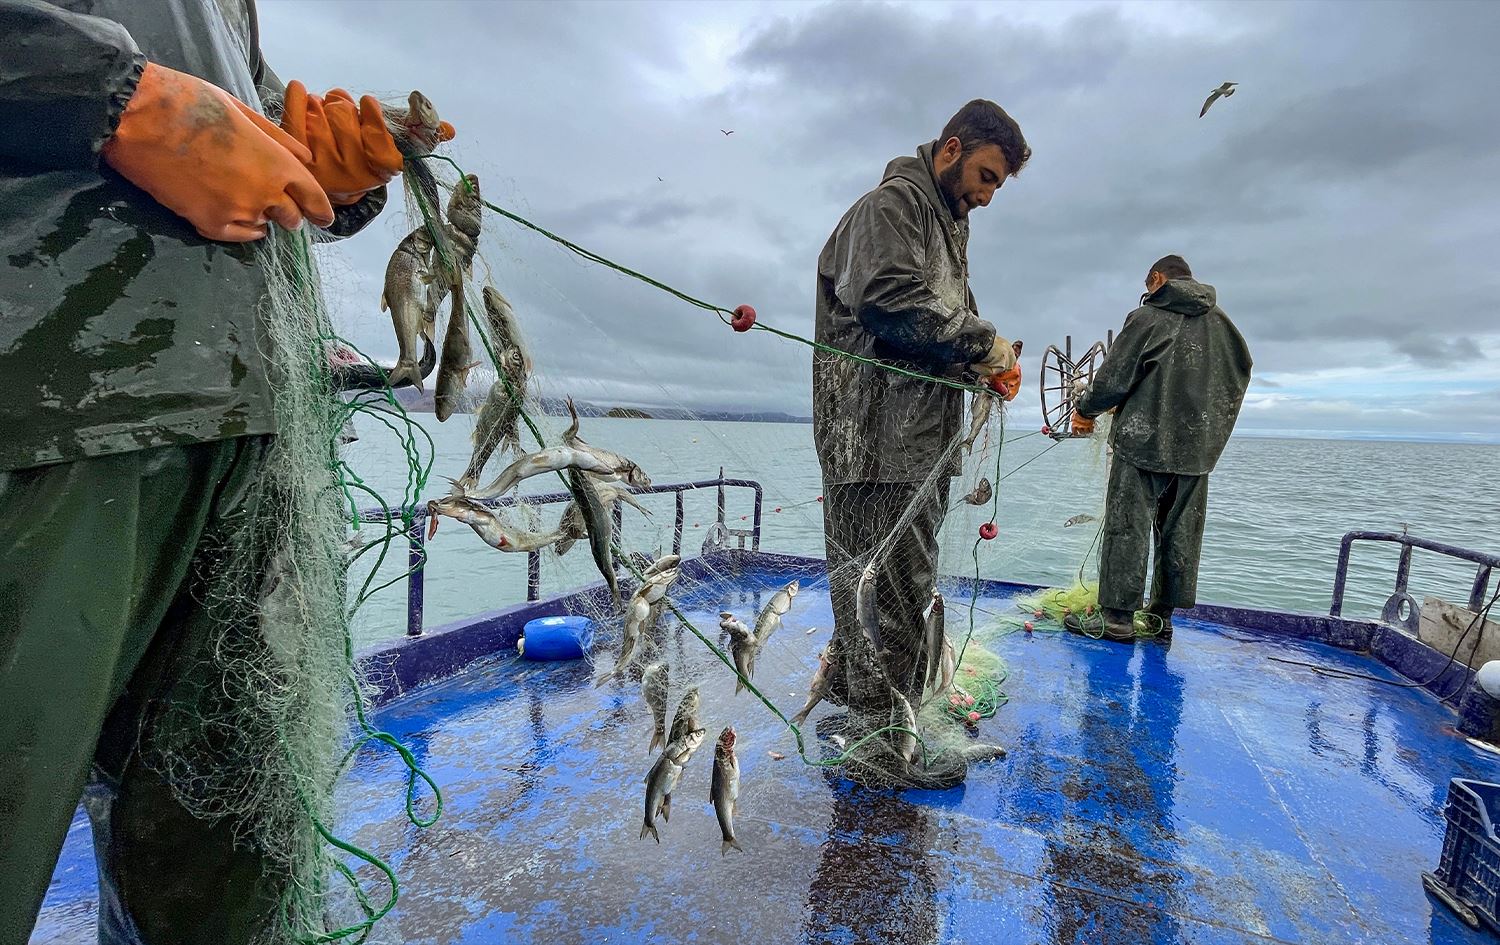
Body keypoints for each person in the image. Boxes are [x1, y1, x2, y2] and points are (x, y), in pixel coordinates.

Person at [0, 2, 451, 941]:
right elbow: (130, 93)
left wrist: (316, 170)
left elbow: (212, 114)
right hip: (39, 403)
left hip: (251, 419)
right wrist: (106, 100)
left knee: (230, 853)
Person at [811, 99, 1028, 780]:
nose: (988, 195)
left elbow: (932, 327)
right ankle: (879, 749)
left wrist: (979, 366)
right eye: (986, 175)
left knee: (888, 583)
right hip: (875, 437)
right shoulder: (892, 208)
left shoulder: (944, 225)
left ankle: (859, 705)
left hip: (915, 438)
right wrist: (983, 342)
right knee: (890, 591)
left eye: (997, 184)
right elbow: (887, 296)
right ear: (952, 148)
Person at [1069, 255, 1252, 641]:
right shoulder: (1224, 325)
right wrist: (1209, 433)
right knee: (1181, 533)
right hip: (1197, 453)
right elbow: (1239, 374)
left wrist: (1085, 409)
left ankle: (1117, 619)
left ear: (1156, 278)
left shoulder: (1148, 317)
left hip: (1142, 445)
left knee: (1127, 527)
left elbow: (1114, 377)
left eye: (1147, 287)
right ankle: (1161, 618)